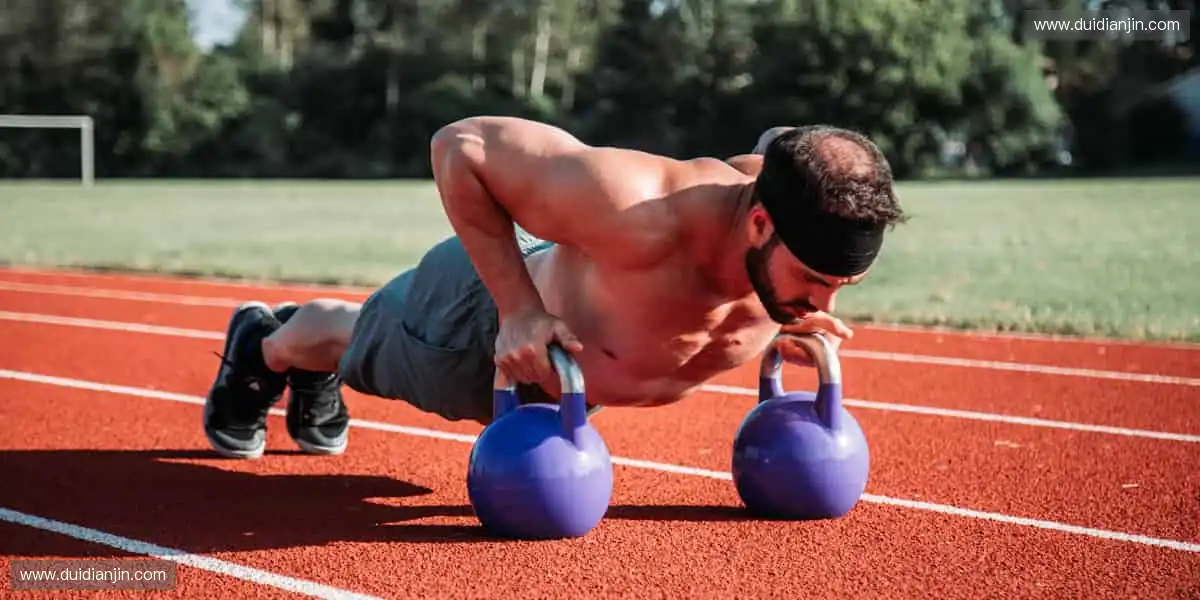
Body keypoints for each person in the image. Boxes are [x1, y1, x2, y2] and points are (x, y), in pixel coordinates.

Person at [201, 117, 907, 459]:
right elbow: (461, 147)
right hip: (477, 327)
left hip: (571, 357)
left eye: (843, 287)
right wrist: (517, 311)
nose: (825, 308)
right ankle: (267, 345)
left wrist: (793, 303)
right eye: (814, 283)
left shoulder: (788, 207)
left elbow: (785, 138)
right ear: (758, 223)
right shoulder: (639, 208)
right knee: (355, 341)